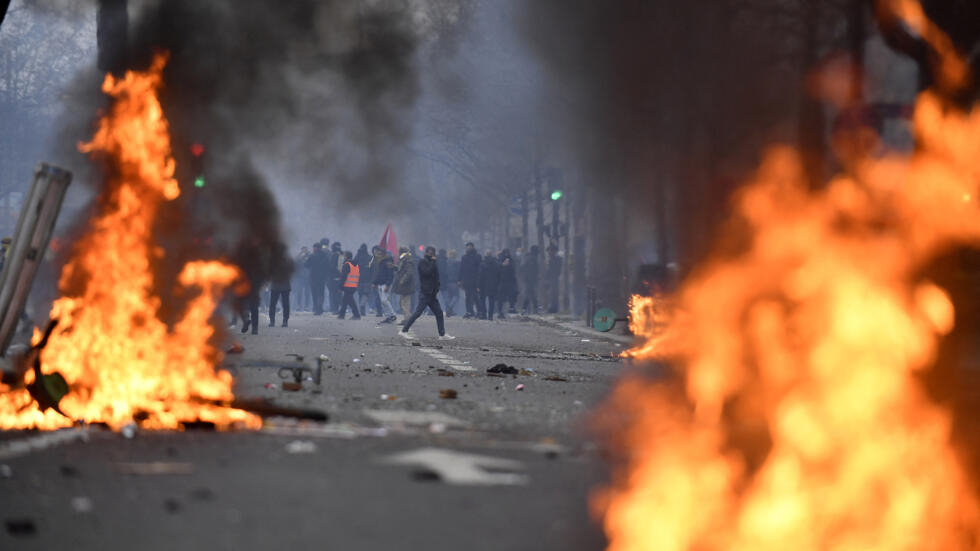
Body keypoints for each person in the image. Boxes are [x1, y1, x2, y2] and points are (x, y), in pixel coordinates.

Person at [400, 246, 455, 340]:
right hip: (425, 292)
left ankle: (442, 334)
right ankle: (403, 331)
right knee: (417, 313)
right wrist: (433, 262)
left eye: (433, 253)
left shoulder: (433, 263)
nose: (432, 255)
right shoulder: (423, 262)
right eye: (430, 253)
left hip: (432, 293)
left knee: (439, 313)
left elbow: (436, 276)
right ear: (426, 253)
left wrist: (437, 287)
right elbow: (426, 273)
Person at [269, 247, 294, 327]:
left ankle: (272, 321)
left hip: (276, 284)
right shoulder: (288, 260)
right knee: (285, 304)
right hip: (284, 284)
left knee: (273, 304)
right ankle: (285, 321)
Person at [372, 249, 397, 323]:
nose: (377, 256)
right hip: (380, 284)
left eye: (379, 254)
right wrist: (375, 283)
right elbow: (379, 274)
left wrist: (388, 285)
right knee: (382, 301)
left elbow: (390, 274)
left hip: (385, 284)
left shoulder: (388, 261)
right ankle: (388, 316)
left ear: (383, 255)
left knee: (384, 300)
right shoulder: (380, 262)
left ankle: (393, 314)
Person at [458, 242, 481, 318]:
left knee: (475, 297)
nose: (469, 248)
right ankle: (469, 311)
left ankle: (479, 311)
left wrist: (479, 281)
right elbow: (461, 269)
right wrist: (459, 279)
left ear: (473, 247)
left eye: (470, 246)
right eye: (468, 246)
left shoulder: (477, 257)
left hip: (475, 280)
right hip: (467, 280)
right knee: (467, 297)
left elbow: (479, 269)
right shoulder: (464, 257)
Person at [305, 242, 329, 315]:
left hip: (314, 277)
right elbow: (328, 267)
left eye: (314, 247)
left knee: (314, 293)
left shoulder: (312, 256)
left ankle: (316, 308)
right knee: (321, 293)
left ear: (316, 248)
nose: (313, 249)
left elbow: (306, 265)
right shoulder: (325, 256)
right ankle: (319, 308)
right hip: (322, 278)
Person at [394, 246, 416, 323]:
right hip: (404, 285)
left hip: (407, 285)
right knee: (402, 302)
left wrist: (402, 280)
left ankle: (408, 319)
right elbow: (402, 270)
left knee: (405, 302)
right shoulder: (404, 260)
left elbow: (409, 273)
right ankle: (407, 318)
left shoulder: (408, 261)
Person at [337, 251, 362, 319]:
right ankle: (342, 315)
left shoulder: (347, 264)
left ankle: (355, 315)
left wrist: (340, 287)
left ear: (346, 256)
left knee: (347, 300)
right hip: (354, 285)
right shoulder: (356, 265)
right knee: (348, 300)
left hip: (347, 285)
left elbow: (343, 276)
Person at [478, 250, 501, 321]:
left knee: (482, 300)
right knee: (492, 301)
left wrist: (478, 285)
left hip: (483, 285)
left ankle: (484, 314)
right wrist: (497, 283)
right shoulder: (496, 264)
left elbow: (480, 276)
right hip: (493, 284)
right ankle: (490, 315)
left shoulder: (482, 264)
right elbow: (499, 275)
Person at [497, 249, 517, 319]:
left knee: (510, 297)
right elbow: (497, 269)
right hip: (502, 282)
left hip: (509, 282)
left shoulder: (511, 261)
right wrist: (503, 265)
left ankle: (509, 309)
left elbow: (513, 270)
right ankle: (500, 312)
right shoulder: (500, 261)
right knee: (501, 298)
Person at [521, 245, 540, 314]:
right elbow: (533, 270)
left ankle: (527, 308)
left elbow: (523, 268)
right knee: (531, 294)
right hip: (530, 279)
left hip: (528, 279)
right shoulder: (532, 258)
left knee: (530, 294)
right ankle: (531, 308)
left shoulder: (527, 258)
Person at [355, 243, 373, 314]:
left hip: (358, 278)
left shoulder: (357, 257)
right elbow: (372, 269)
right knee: (365, 293)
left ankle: (362, 309)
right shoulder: (369, 258)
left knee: (360, 294)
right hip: (367, 279)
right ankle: (362, 305)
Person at [293, 246, 311, 312]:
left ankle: (306, 306)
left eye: (305, 249)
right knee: (299, 292)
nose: (304, 250)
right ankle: (299, 305)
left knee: (307, 292)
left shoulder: (310, 256)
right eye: (303, 249)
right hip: (300, 277)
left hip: (307, 276)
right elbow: (295, 264)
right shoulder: (298, 256)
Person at [327, 241, 343, 314]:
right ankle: (337, 308)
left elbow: (334, 267)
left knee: (334, 294)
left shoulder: (335, 255)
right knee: (337, 294)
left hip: (334, 277)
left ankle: (335, 309)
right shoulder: (341, 255)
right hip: (338, 277)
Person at [545, 243, 562, 313]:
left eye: (550, 250)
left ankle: (554, 308)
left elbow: (555, 270)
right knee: (552, 293)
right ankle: (552, 307)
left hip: (554, 278)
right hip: (552, 278)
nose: (549, 252)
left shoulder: (557, 259)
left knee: (554, 293)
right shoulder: (552, 259)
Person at [444, 249, 460, 316]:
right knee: (456, 296)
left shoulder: (446, 262)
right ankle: (449, 309)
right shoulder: (457, 263)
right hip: (454, 281)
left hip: (447, 281)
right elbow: (459, 272)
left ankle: (450, 311)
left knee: (449, 297)